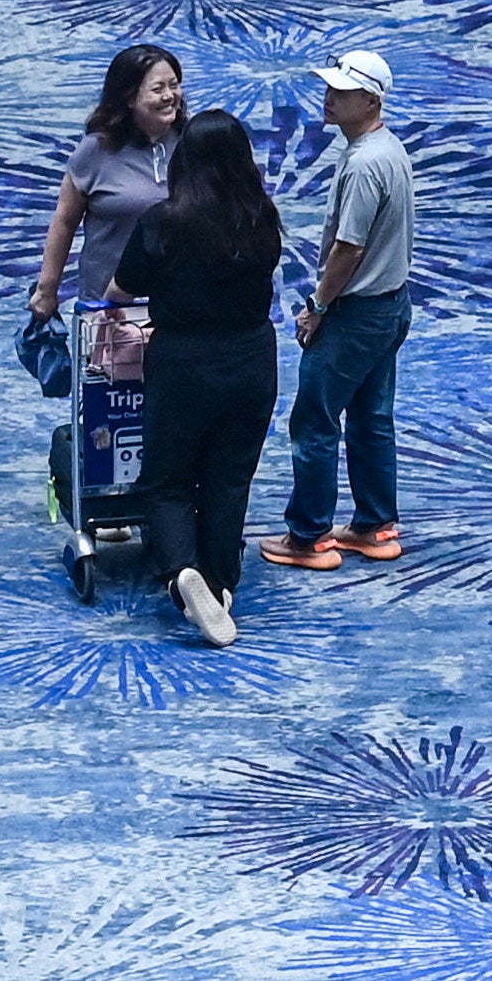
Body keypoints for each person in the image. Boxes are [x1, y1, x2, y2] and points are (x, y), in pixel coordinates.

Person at [117, 109, 286, 647]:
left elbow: (122, 288)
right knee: (229, 476)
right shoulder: (262, 217)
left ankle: (180, 574)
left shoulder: (162, 220)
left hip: (183, 361)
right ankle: (221, 582)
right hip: (253, 359)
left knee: (167, 479)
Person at [266, 51, 418, 572]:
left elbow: (348, 250)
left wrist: (317, 307)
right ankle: (374, 526)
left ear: (371, 100)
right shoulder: (389, 150)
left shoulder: (362, 164)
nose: (329, 97)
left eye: (342, 92)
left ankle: (308, 537)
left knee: (314, 420)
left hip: (355, 315)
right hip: (390, 307)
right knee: (372, 419)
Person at [31, 41, 186, 327]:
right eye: (157, 89)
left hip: (178, 306)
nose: (169, 96)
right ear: (129, 97)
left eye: (174, 85)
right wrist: (47, 289)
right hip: (108, 307)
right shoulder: (95, 151)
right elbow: (65, 221)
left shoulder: (193, 144)